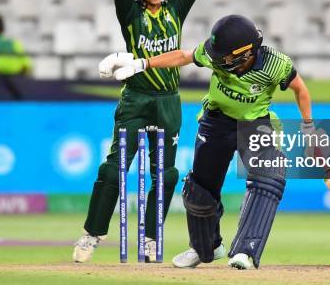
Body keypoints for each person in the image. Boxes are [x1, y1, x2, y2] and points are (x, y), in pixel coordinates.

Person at [106, 15, 314, 269]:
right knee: (198, 191)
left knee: (269, 178)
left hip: (255, 124)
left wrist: (307, 125)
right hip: (216, 121)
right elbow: (183, 56)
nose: (216, 59)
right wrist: (143, 64)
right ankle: (206, 248)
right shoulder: (214, 53)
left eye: (223, 56)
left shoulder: (275, 64)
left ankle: (246, 252)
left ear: (244, 53)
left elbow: (300, 89)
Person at [73, 0, 219, 264]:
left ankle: (152, 239)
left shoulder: (176, 9)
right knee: (113, 170)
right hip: (136, 100)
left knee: (165, 175)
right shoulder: (131, 14)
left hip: (168, 103)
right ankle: (92, 234)